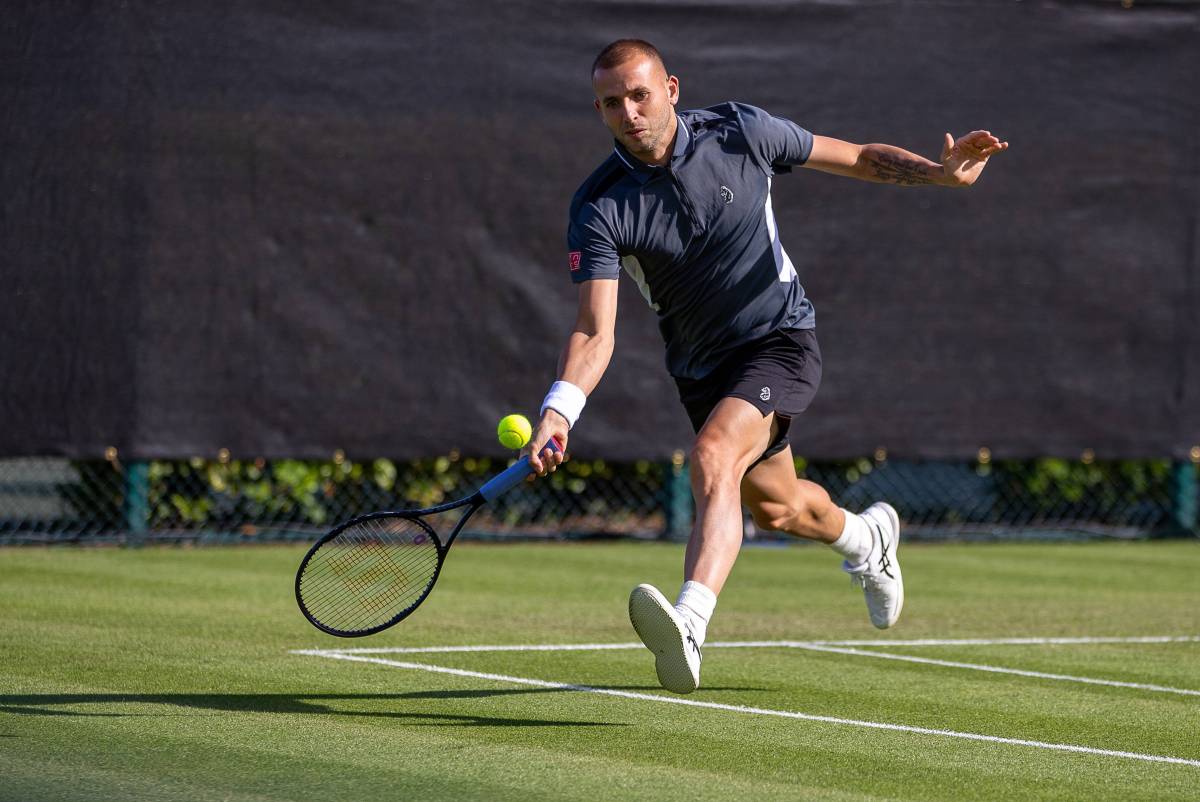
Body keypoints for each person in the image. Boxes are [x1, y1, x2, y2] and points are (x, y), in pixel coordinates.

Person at [522, 39, 1007, 694]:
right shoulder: (601, 206)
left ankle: (690, 621)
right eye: (611, 103)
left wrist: (940, 172)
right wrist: (559, 411)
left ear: (670, 88)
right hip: (702, 368)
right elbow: (593, 329)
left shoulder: (741, 132)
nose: (628, 112)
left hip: (780, 336)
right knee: (779, 509)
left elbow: (858, 157)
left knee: (713, 455)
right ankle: (868, 541)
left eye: (639, 94)